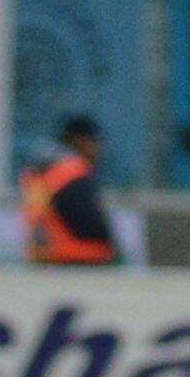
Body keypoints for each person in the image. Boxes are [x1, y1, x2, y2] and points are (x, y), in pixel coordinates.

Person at [20, 112, 121, 265]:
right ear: (78, 140)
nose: (98, 150)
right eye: (94, 142)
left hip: (43, 255)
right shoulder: (71, 171)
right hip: (77, 258)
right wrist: (111, 245)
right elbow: (87, 221)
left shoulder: (40, 169)